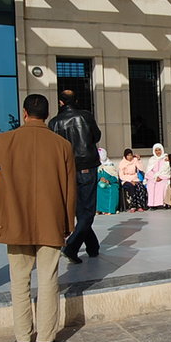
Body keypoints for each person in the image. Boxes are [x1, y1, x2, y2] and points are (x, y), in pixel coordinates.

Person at [0, 94, 75, 342]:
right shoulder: (61, 145)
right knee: (49, 278)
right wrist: (68, 221)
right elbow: (70, 190)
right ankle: (46, 339)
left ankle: (22, 338)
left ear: (25, 113)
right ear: (48, 115)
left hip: (16, 220)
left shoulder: (3, 141)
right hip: (51, 221)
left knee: (19, 279)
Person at [48, 89, 102, 264]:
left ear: (61, 102)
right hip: (86, 167)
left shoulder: (54, 122)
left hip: (67, 169)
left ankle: (93, 247)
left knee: (81, 210)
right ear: (75, 100)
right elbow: (97, 136)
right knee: (87, 212)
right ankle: (71, 246)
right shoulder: (86, 116)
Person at [145, 143, 171, 209]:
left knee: (162, 186)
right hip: (153, 177)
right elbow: (148, 171)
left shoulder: (166, 158)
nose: (158, 152)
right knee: (151, 185)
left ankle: (162, 203)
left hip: (164, 177)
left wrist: (161, 177)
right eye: (156, 150)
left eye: (159, 150)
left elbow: (167, 170)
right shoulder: (152, 159)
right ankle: (152, 204)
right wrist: (155, 177)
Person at [96, 148, 119, 215]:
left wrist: (108, 180)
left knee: (112, 189)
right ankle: (98, 209)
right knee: (97, 189)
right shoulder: (96, 165)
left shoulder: (110, 165)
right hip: (99, 183)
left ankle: (108, 209)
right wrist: (100, 179)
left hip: (111, 184)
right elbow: (94, 176)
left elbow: (115, 178)